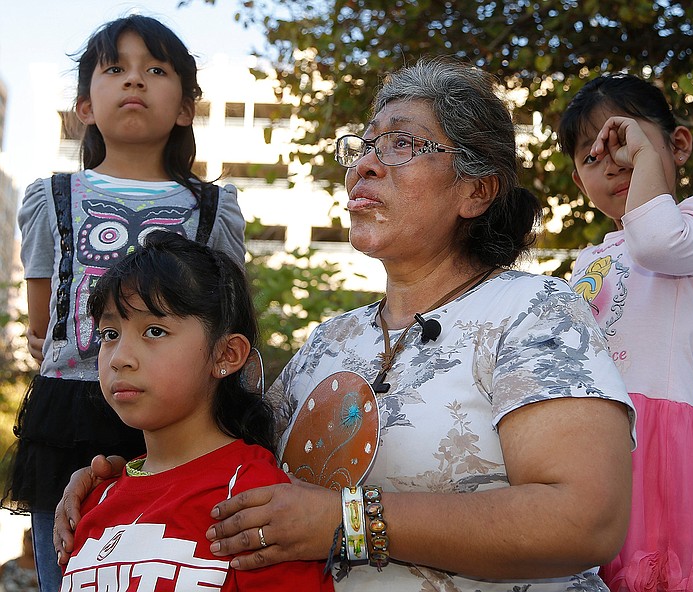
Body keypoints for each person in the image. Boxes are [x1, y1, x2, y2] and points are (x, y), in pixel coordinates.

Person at [56, 58, 635, 591]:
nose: (364, 164)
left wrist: (348, 521)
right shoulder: (329, 343)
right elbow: (222, 458)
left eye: (402, 144)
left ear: (476, 190)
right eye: (364, 146)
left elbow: (584, 520)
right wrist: (130, 480)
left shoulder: (533, 312)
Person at [2, 15, 246, 592]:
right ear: (85, 105)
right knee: (71, 566)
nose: (134, 81)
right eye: (116, 70)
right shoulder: (51, 197)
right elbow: (44, 322)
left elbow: (229, 314)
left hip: (183, 418)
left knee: (178, 563)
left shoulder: (216, 208)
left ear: (186, 107)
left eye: (155, 70)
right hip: (72, 415)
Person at [557, 72, 693, 591]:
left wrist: (646, 161)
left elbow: (655, 244)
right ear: (579, 183)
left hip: (657, 437)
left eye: (626, 142)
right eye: (592, 157)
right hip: (590, 433)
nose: (615, 163)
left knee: (652, 575)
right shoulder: (590, 259)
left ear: (678, 145)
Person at [55, 231, 332, 591]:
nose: (120, 358)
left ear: (226, 355)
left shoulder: (254, 496)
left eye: (154, 330)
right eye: (109, 334)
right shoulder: (92, 498)